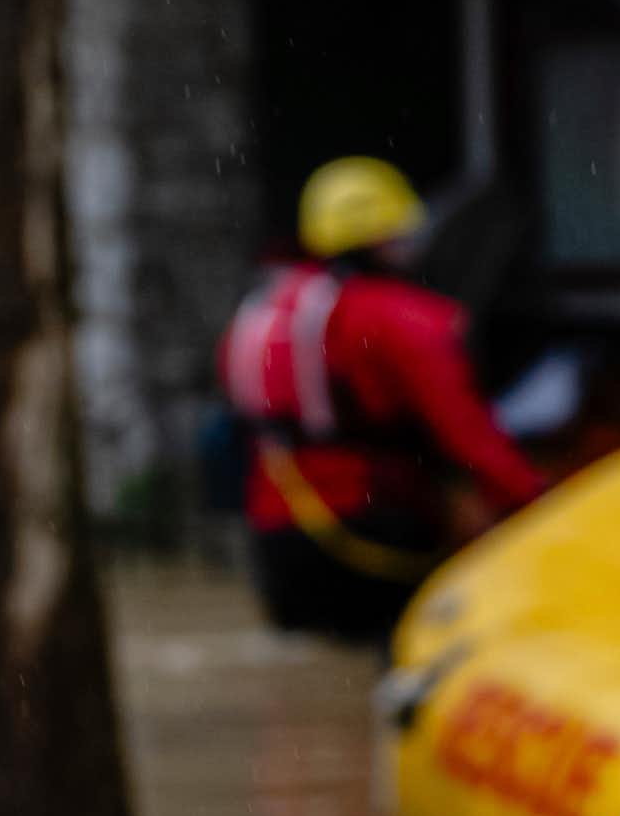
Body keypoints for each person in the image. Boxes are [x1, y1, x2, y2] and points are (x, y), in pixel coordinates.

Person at [219, 157, 551, 642]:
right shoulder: (403, 319)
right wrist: (539, 503)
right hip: (374, 534)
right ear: (389, 238)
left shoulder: (263, 311)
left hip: (275, 545)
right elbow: (470, 437)